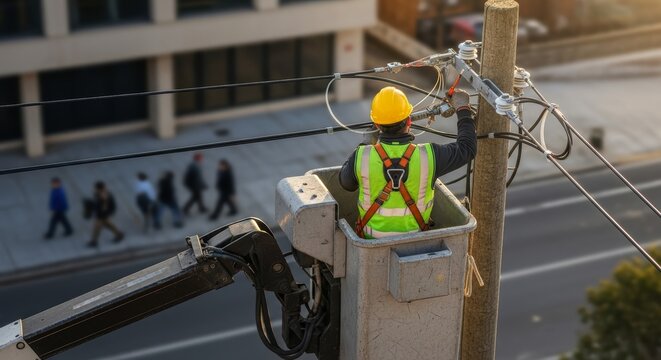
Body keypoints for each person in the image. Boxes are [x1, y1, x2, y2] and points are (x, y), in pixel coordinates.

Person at [339, 86, 477, 239]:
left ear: (377, 126)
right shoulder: (429, 156)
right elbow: (467, 149)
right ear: (409, 121)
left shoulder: (362, 156)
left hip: (370, 245)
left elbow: (346, 183)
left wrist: (365, 144)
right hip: (415, 242)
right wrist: (463, 109)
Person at [88, 181, 124, 247]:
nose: (94, 189)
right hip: (102, 214)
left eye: (95, 188)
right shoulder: (99, 194)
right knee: (108, 225)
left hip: (102, 215)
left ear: (99, 188)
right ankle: (119, 234)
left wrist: (103, 201)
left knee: (97, 227)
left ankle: (94, 241)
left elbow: (104, 208)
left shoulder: (105, 196)